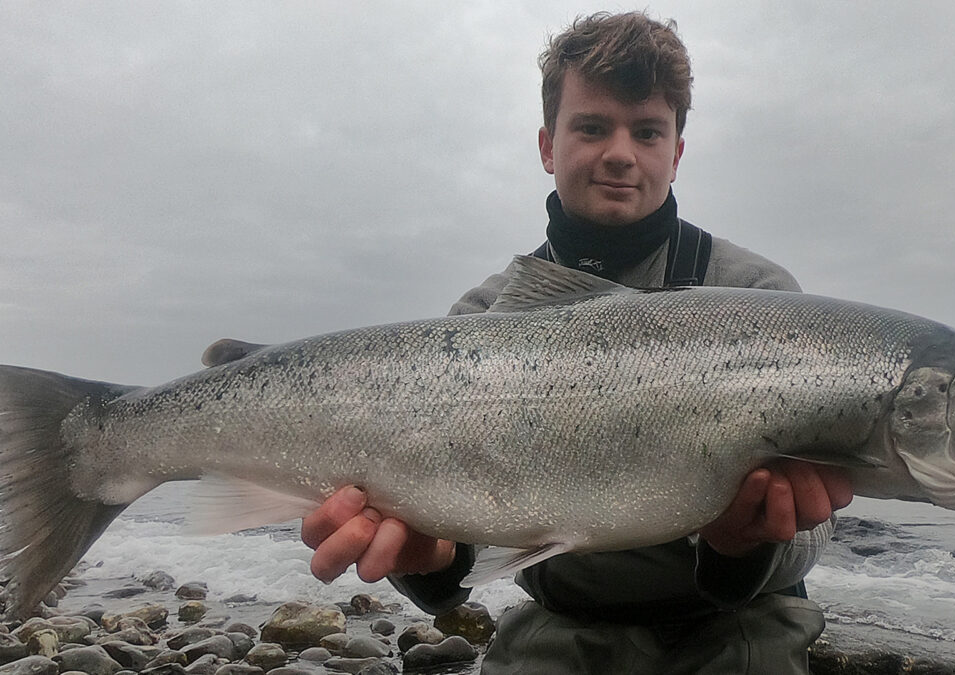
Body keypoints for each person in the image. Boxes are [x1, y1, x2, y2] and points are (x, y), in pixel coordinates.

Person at [302, 11, 852, 674]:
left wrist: (742, 547)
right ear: (546, 144)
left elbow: (820, 521)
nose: (620, 152)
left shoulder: (763, 299)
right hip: (560, 623)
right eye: (592, 127)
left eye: (647, 131)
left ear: (676, 153)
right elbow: (455, 547)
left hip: (739, 622)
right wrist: (435, 561)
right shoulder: (481, 320)